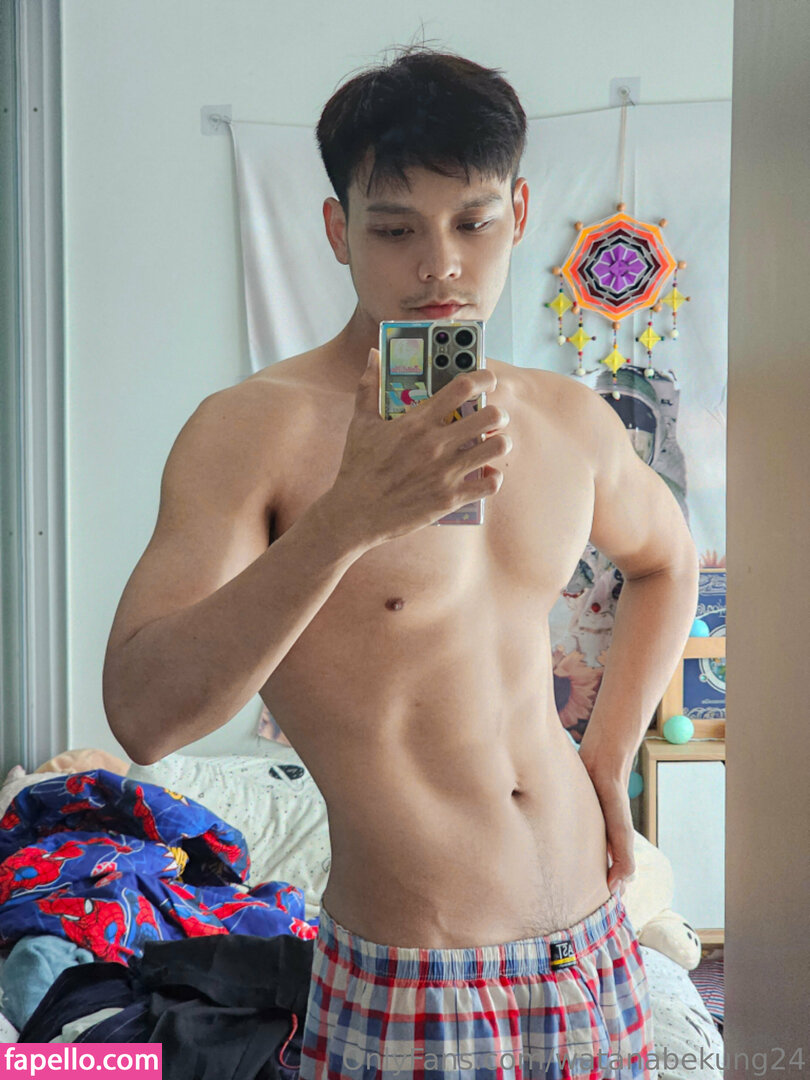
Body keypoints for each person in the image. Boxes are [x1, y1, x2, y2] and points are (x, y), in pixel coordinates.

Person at [103, 44, 699, 1080]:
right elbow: (143, 717)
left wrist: (606, 757)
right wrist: (347, 520)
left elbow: (669, 562)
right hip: (413, 977)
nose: (440, 266)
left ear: (518, 214)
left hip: (596, 954)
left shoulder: (566, 419)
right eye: (395, 229)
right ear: (339, 232)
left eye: (473, 222)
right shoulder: (252, 431)